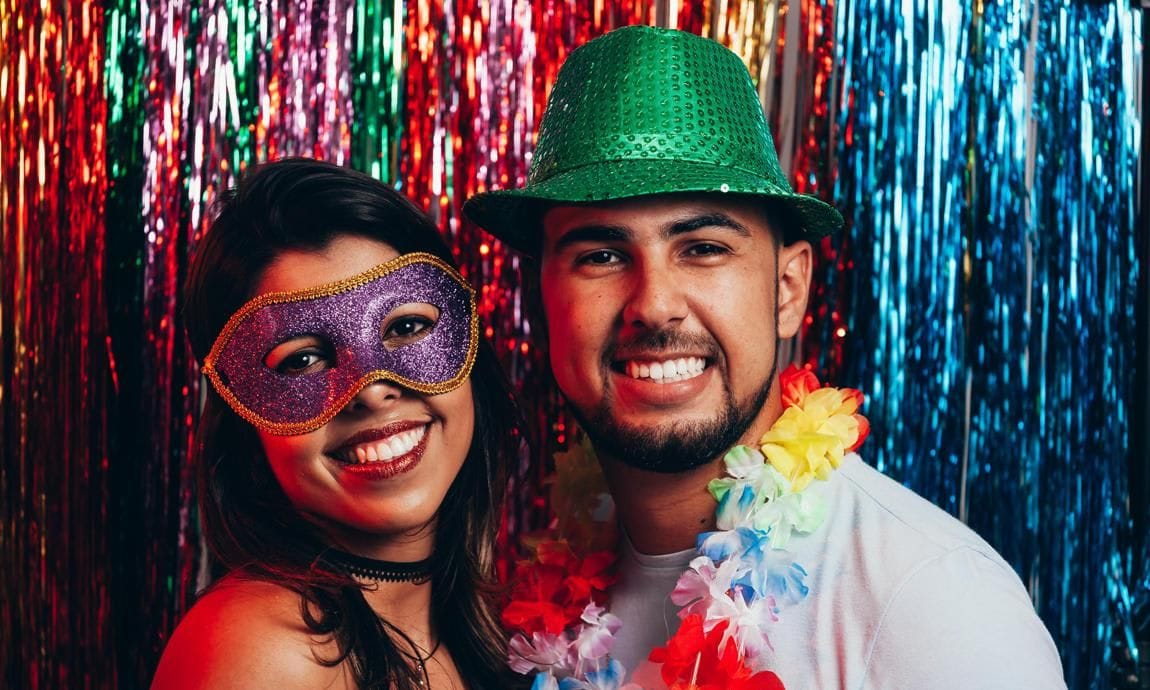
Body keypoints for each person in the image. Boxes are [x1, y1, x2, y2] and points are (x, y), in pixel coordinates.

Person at [464, 26, 1066, 688]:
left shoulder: (932, 606)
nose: (654, 304)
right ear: (544, 297)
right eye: (601, 256)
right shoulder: (525, 606)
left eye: (703, 248)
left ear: (788, 289)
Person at [152, 158, 525, 689]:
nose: (371, 390)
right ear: (241, 414)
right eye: (301, 360)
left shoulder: (485, 627)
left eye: (407, 326)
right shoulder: (264, 652)